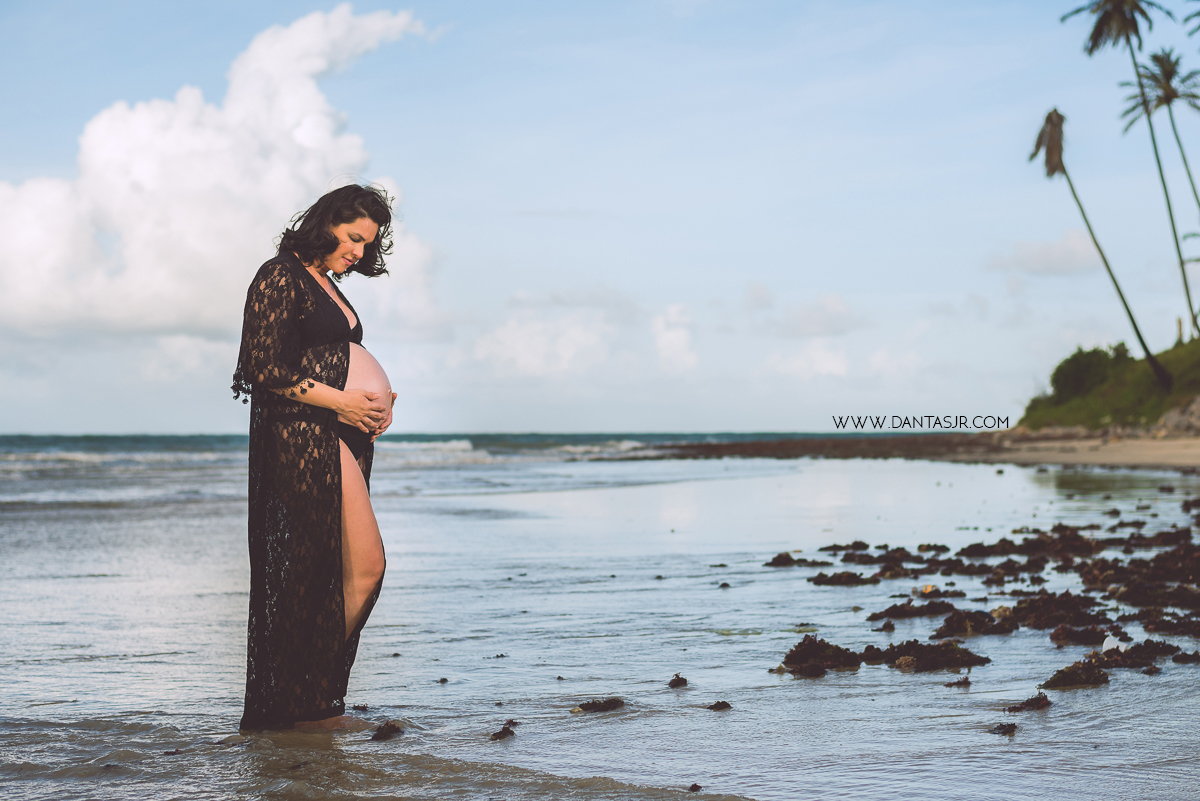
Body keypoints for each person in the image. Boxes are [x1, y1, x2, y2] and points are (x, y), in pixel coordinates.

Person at [232, 184, 398, 730]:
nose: (359, 252)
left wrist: (377, 400)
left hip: (339, 432)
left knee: (346, 570)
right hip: (302, 436)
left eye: (367, 244)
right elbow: (262, 367)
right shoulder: (279, 273)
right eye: (354, 238)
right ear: (327, 223)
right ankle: (297, 701)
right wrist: (347, 401)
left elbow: (335, 356)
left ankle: (310, 697)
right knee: (341, 567)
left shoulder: (327, 283)